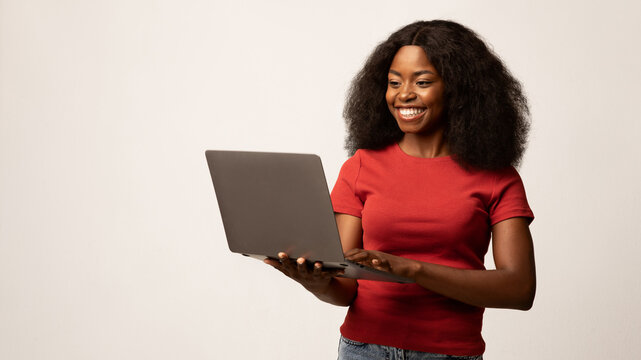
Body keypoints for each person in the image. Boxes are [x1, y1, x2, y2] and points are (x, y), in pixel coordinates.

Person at [264, 20, 535, 359]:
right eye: (394, 82)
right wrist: (315, 281)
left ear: (459, 89)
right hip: (363, 350)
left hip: (449, 353)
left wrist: (411, 269)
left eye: (422, 82)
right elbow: (344, 286)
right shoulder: (361, 166)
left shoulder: (497, 177)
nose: (403, 94)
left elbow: (520, 289)